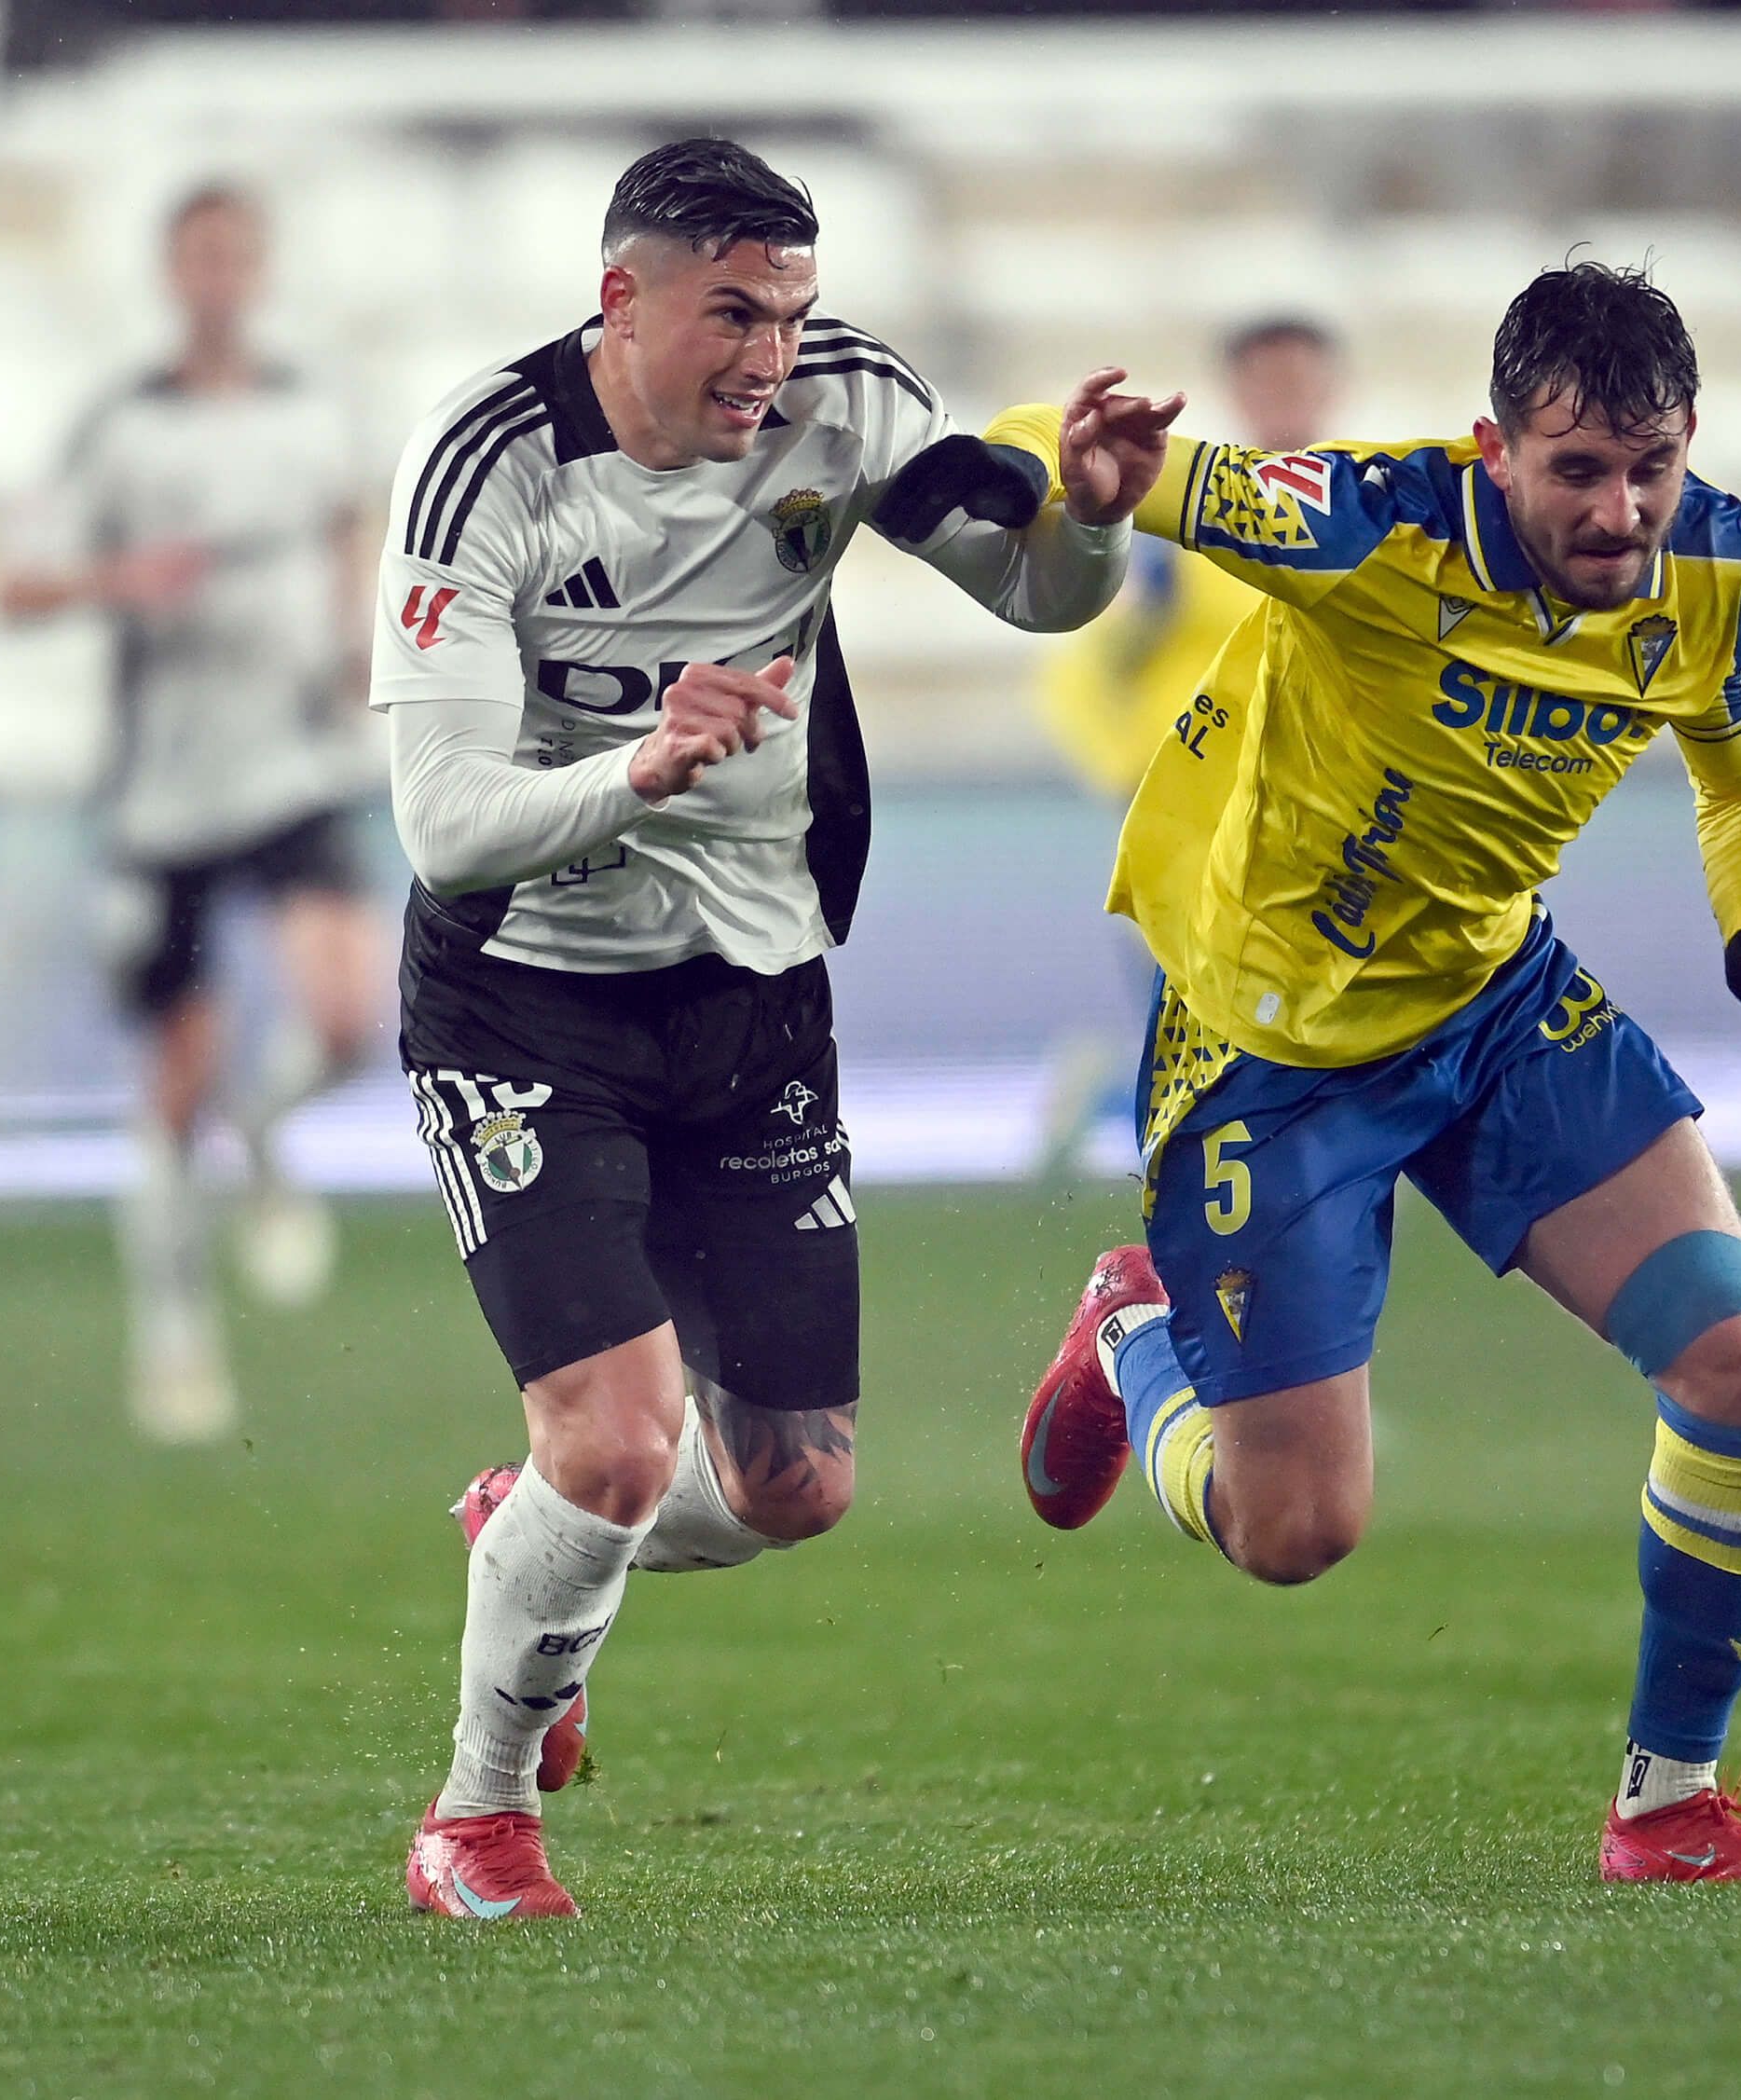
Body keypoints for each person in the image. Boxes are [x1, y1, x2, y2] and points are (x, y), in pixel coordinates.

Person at [372, 138, 1176, 1920]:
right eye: (732, 310)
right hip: (525, 999)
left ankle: (538, 1532)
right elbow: (439, 826)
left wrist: (1097, 515)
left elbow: (1037, 592)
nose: (768, 351)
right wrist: (639, 764)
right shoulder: (487, 464)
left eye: (791, 310)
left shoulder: (848, 408)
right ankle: (475, 1820)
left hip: (754, 991)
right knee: (617, 1433)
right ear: (623, 300)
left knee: (795, 1483)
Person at [1011, 262, 1741, 1881]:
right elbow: (1078, 447)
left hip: (1490, 1002)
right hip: (1274, 1049)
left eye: (1653, 467)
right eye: (1581, 471)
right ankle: (1133, 1332)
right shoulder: (1370, 521)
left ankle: (1668, 1800)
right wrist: (1083, 468)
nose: (1624, 512)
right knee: (1294, 1532)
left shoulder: (1713, 575)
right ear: (1494, 450)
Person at [0, 183, 381, 1446]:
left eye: (235, 253)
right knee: (176, 1073)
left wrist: (347, 643)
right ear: (173, 272)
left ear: (256, 268)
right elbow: (16, 582)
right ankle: (174, 1333)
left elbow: (346, 530)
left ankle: (264, 1142)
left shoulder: (310, 408)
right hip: (165, 786)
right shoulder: (119, 427)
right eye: (197, 255)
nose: (218, 275)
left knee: (345, 1018)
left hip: (289, 761)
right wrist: (118, 578)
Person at [1031, 316, 1347, 1174]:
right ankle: (1164, 1159)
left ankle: (1125, 1104)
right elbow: (1087, 657)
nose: (1287, 396)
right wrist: (1121, 764)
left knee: (1283, 1023)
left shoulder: (1370, 517)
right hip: (1197, 816)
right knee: (1203, 1020)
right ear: (1239, 390)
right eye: (1268, 379)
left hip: (1315, 813)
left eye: (1301, 378)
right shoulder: (1189, 525)